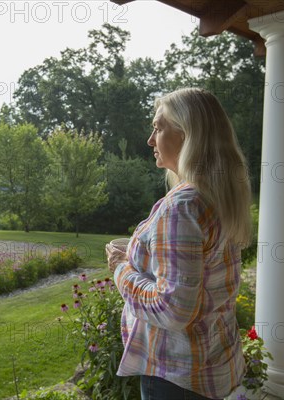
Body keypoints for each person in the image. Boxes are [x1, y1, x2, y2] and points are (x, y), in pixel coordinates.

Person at [105, 88, 252, 400]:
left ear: (189, 135)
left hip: (176, 378)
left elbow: (171, 310)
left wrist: (120, 269)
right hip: (211, 363)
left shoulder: (182, 207)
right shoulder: (216, 195)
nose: (150, 140)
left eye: (158, 128)